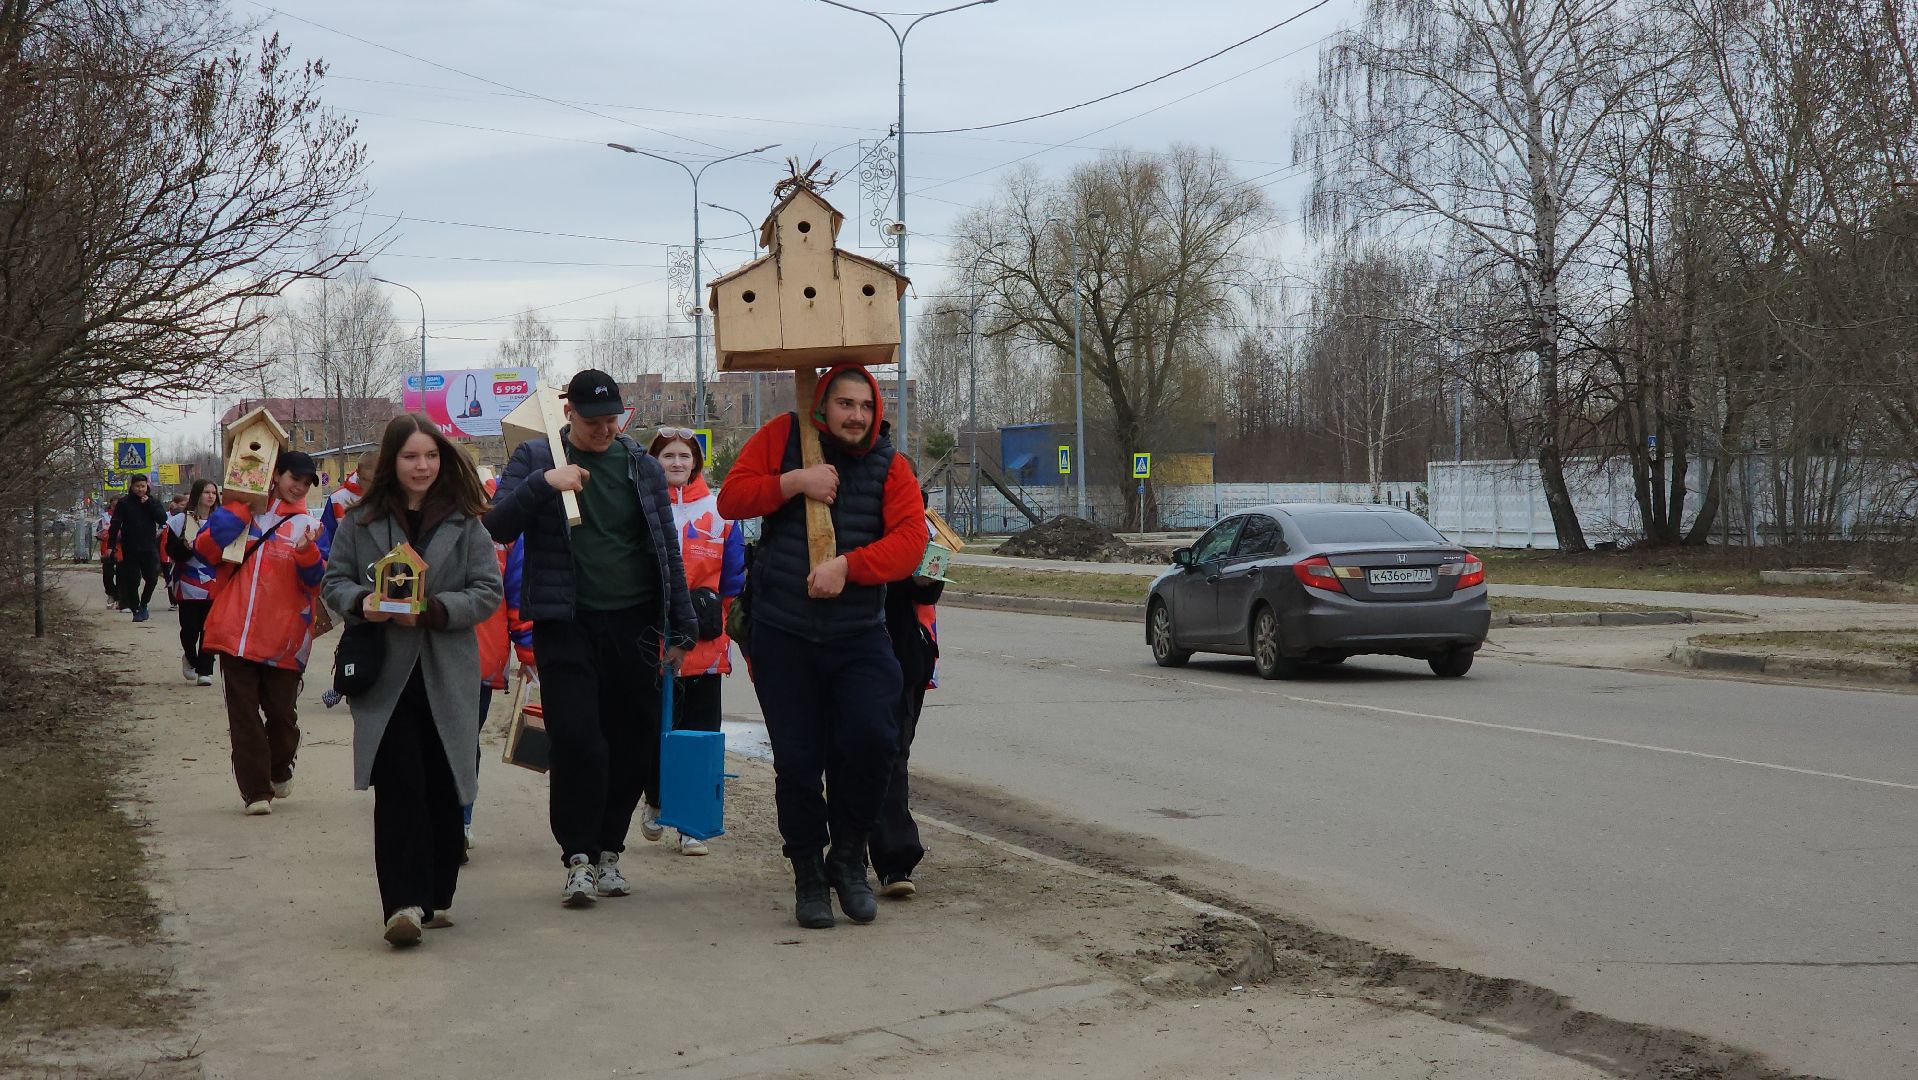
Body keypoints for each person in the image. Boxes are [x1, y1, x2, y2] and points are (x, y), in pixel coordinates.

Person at [715, 364, 927, 929]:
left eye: (865, 405)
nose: (856, 416)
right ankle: (808, 873)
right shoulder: (784, 437)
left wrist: (848, 567)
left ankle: (848, 858)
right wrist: (793, 483)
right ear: (823, 406)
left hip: (858, 634)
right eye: (845, 404)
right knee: (799, 761)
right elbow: (731, 499)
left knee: (874, 739)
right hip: (784, 634)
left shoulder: (889, 465)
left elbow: (911, 542)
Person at [484, 369, 696, 908]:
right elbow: (496, 525)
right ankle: (577, 856)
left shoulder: (641, 466)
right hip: (566, 623)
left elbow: (666, 548)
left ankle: (608, 851)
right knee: (578, 739)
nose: (605, 430)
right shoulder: (537, 457)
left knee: (632, 742)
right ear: (569, 414)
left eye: (612, 420)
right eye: (593, 421)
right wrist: (544, 484)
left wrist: (682, 624)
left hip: (635, 624)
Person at [323, 415, 503, 947]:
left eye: (430, 456)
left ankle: (436, 893)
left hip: (447, 670)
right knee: (399, 784)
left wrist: (434, 611)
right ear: (391, 462)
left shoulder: (467, 522)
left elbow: (487, 591)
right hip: (387, 676)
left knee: (443, 784)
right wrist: (364, 603)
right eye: (410, 456)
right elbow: (334, 583)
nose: (421, 466)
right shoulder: (361, 522)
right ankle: (401, 904)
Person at [195, 452, 326, 816]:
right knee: (243, 716)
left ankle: (280, 766)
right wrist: (236, 514)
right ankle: (255, 791)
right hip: (234, 632)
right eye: (294, 478)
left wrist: (307, 553)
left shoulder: (310, 527)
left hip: (284, 639)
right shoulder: (244, 512)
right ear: (276, 474)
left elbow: (317, 582)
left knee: (282, 717)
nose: (299, 487)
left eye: (306, 483)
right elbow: (204, 551)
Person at [642, 426, 746, 857]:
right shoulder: (642, 506)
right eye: (668, 456)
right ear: (654, 462)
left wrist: (724, 626)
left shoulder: (720, 512)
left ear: (696, 463)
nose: (677, 463)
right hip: (653, 640)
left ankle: (691, 824)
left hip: (705, 643)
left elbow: (734, 580)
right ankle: (655, 799)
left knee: (699, 731)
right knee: (654, 728)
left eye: (685, 456)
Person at [870, 497, 942, 897]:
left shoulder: (924, 526)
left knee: (893, 754)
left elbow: (928, 595)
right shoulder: (850, 513)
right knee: (846, 752)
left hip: (904, 656)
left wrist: (928, 578)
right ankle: (844, 850)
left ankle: (894, 860)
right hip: (845, 647)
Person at [165, 479, 222, 687]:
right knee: (190, 629)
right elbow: (170, 550)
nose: (211, 496)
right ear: (197, 494)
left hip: (214, 581)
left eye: (213, 493)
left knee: (209, 628)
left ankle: (205, 670)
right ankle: (190, 657)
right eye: (206, 492)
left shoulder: (222, 521)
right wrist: (184, 548)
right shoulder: (180, 521)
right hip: (188, 581)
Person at [110, 474, 169, 621]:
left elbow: (162, 518)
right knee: (132, 580)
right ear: (132, 486)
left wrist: (148, 504)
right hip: (130, 547)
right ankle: (136, 609)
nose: (140, 489)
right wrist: (111, 545)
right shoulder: (124, 503)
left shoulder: (152, 501)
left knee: (152, 578)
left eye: (143, 486)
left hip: (149, 547)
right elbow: (115, 524)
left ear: (147, 486)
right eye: (137, 486)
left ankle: (144, 604)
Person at [319, 449, 378, 559]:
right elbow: (325, 540)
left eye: (373, 481)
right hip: (344, 563)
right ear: (358, 472)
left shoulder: (386, 497)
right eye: (365, 479)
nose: (369, 486)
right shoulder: (337, 499)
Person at [96, 505, 118, 607]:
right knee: (108, 575)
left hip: (122, 550)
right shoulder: (104, 518)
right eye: (114, 505)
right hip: (107, 550)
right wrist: (103, 534)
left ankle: (120, 598)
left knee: (122, 575)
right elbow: (98, 533)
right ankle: (111, 594)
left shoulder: (126, 516)